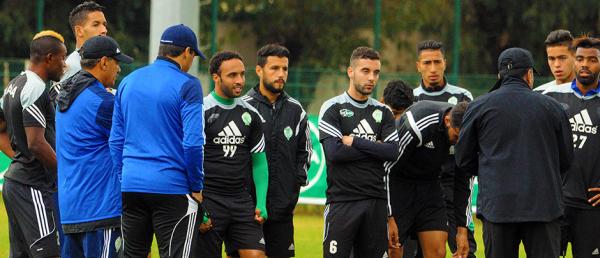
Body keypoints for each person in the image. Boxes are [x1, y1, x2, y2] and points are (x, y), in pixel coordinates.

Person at [454, 47, 574, 258]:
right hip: (543, 208)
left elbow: (463, 159)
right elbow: (565, 160)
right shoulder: (553, 107)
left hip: (498, 207)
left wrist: (491, 170)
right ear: (529, 74)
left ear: (500, 75)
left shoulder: (478, 107)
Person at [109, 24, 206, 257]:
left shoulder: (128, 81)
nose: (192, 61)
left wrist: (125, 176)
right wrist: (196, 185)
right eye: (193, 55)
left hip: (131, 186)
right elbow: (193, 143)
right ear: (186, 52)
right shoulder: (189, 85)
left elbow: (115, 141)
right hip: (172, 188)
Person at [55, 36, 133, 257]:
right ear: (104, 62)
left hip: (71, 210)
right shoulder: (102, 102)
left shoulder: (67, 93)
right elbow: (132, 141)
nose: (118, 69)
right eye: (117, 62)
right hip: (100, 209)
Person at [318, 46, 399, 258]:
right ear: (350, 71)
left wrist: (354, 141)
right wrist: (376, 148)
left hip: (375, 203)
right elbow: (334, 153)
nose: (372, 77)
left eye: (376, 72)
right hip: (342, 202)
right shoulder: (332, 107)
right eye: (365, 71)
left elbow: (392, 152)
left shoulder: (383, 112)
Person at [242, 43, 312, 258]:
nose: (281, 74)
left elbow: (305, 153)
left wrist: (292, 193)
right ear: (259, 70)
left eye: (285, 69)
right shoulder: (243, 107)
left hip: (282, 210)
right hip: (247, 209)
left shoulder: (296, 110)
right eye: (274, 68)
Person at [1, 30, 66, 258]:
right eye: (62, 58)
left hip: (15, 182)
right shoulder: (36, 87)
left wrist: (19, 157)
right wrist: (65, 171)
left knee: (21, 254)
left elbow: (1, 129)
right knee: (47, 253)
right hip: (32, 186)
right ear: (49, 58)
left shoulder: (14, 84)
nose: (65, 65)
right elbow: (36, 143)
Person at [197, 50, 269, 258]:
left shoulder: (251, 115)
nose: (240, 80)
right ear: (216, 77)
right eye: (232, 75)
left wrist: (261, 202)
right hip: (209, 199)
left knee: (256, 255)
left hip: (241, 201)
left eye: (242, 74)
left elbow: (259, 162)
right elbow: (190, 160)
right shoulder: (201, 111)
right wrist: (198, 205)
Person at [409, 40, 476, 258]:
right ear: (418, 66)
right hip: (419, 187)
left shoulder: (464, 98)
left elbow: (469, 156)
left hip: (453, 184)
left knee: (465, 252)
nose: (433, 68)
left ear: (445, 63)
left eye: (437, 62)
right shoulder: (411, 98)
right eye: (427, 63)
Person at [387, 100, 468, 258]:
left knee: (438, 252)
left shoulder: (467, 135)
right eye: (456, 136)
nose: (458, 142)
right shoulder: (418, 124)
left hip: (430, 186)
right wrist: (388, 216)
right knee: (393, 249)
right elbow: (389, 168)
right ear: (447, 121)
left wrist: (461, 229)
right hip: (399, 185)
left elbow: (463, 181)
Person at [543, 36, 600, 258]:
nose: (585, 64)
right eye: (580, 58)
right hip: (555, 203)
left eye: (592, 59)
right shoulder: (549, 97)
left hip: (592, 207)